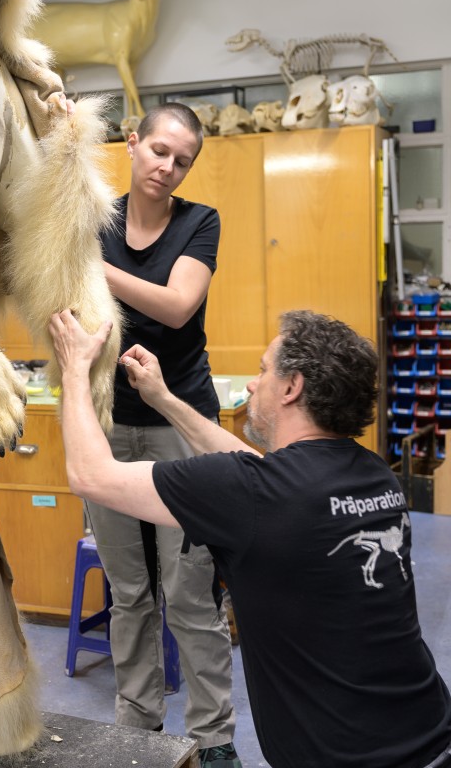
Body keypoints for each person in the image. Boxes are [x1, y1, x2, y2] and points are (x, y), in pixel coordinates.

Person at [48, 307, 451, 768]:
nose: (254, 385)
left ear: (292, 386)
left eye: (262, 371)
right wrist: (164, 399)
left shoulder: (254, 493)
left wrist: (75, 370)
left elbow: (91, 476)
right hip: (431, 734)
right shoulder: (375, 477)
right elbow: (258, 472)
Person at [91, 101, 240, 767]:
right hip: (111, 424)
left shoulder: (199, 222)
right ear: (132, 143)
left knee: (190, 596)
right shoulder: (95, 220)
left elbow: (178, 308)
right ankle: (137, 727)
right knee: (129, 593)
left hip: (182, 424)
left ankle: (214, 740)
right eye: (158, 151)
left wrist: (91, 268)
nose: (167, 168)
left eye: (182, 161)